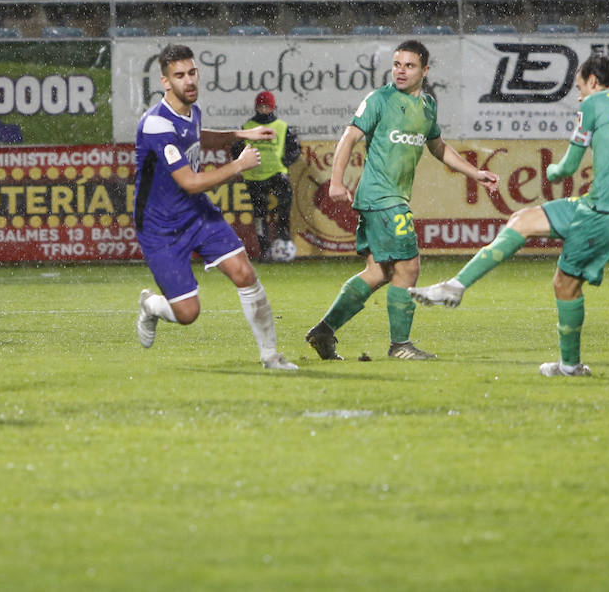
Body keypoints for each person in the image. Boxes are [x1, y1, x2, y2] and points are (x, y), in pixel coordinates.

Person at [411, 54, 609, 377]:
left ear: (595, 82)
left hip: (603, 212)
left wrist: (554, 172)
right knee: (522, 221)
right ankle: (456, 286)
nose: (579, 95)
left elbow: (568, 166)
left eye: (580, 86)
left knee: (564, 284)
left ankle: (570, 366)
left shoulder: (592, 105)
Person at [304, 41, 499, 363]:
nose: (401, 71)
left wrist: (474, 172)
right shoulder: (380, 99)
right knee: (409, 267)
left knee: (379, 271)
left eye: (409, 66)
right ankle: (400, 346)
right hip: (383, 198)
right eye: (397, 64)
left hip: (387, 199)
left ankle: (324, 330)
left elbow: (437, 147)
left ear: (425, 70)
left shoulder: (427, 105)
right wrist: (336, 182)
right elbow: (349, 137)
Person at [133, 44, 298, 371]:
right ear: (165, 82)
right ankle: (151, 305)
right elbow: (190, 182)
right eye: (179, 75)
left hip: (196, 212)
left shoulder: (192, 110)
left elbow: (197, 136)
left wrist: (239, 133)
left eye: (192, 72)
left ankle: (270, 356)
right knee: (188, 314)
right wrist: (239, 165)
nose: (189, 80)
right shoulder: (156, 126)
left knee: (244, 273)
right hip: (160, 227)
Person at [239, 91, 301, 263]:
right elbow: (236, 149)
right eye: (261, 107)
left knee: (284, 203)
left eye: (267, 107)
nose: (264, 110)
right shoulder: (247, 127)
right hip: (254, 176)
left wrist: (284, 160)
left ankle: (283, 235)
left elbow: (295, 149)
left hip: (276, 173)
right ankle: (265, 248)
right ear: (256, 107)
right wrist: (241, 164)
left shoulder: (281, 126)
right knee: (259, 213)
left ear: (273, 108)